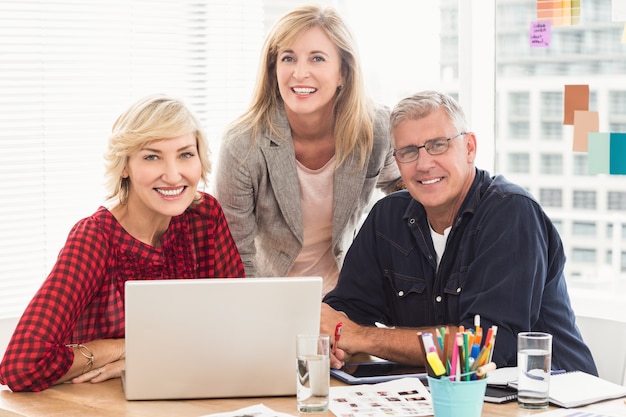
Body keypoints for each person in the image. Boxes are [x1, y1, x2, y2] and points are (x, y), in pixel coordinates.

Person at [322, 90, 598, 376]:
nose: (424, 163)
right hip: (438, 396)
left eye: (438, 145)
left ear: (469, 147)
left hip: (548, 397)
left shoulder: (512, 213)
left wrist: (360, 337)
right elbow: (344, 312)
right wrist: (335, 341)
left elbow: (483, 349)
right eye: (408, 151)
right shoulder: (387, 219)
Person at [0, 94, 245, 392]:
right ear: (125, 166)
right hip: (94, 405)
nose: (173, 175)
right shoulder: (95, 239)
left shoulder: (204, 216)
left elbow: (235, 327)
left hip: (181, 392)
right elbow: (21, 367)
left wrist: (151, 354)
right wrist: (121, 349)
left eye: (185, 154)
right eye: (152, 156)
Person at [215, 5, 403, 296]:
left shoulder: (375, 129)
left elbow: (401, 185)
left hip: (348, 300)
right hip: (270, 299)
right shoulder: (243, 144)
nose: (300, 73)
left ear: (343, 73)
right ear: (274, 69)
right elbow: (236, 256)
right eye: (288, 58)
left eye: (317, 59)